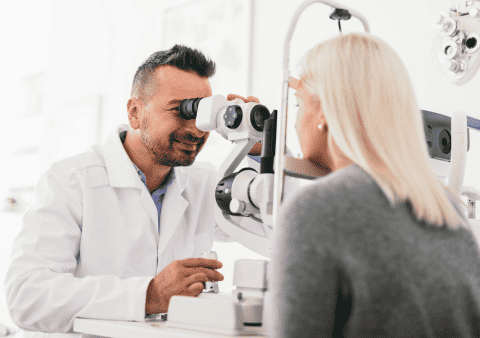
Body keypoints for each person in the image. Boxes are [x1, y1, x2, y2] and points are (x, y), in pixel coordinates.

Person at [4, 45, 264, 338]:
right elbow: (26, 296)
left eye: (202, 112)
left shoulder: (203, 184)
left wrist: (260, 151)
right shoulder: (70, 181)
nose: (196, 129)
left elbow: (282, 229)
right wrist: (149, 294)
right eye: (181, 110)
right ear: (135, 112)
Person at [270, 32, 480, 337]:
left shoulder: (316, 210)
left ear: (324, 111)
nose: (294, 120)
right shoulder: (448, 208)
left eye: (300, 103)